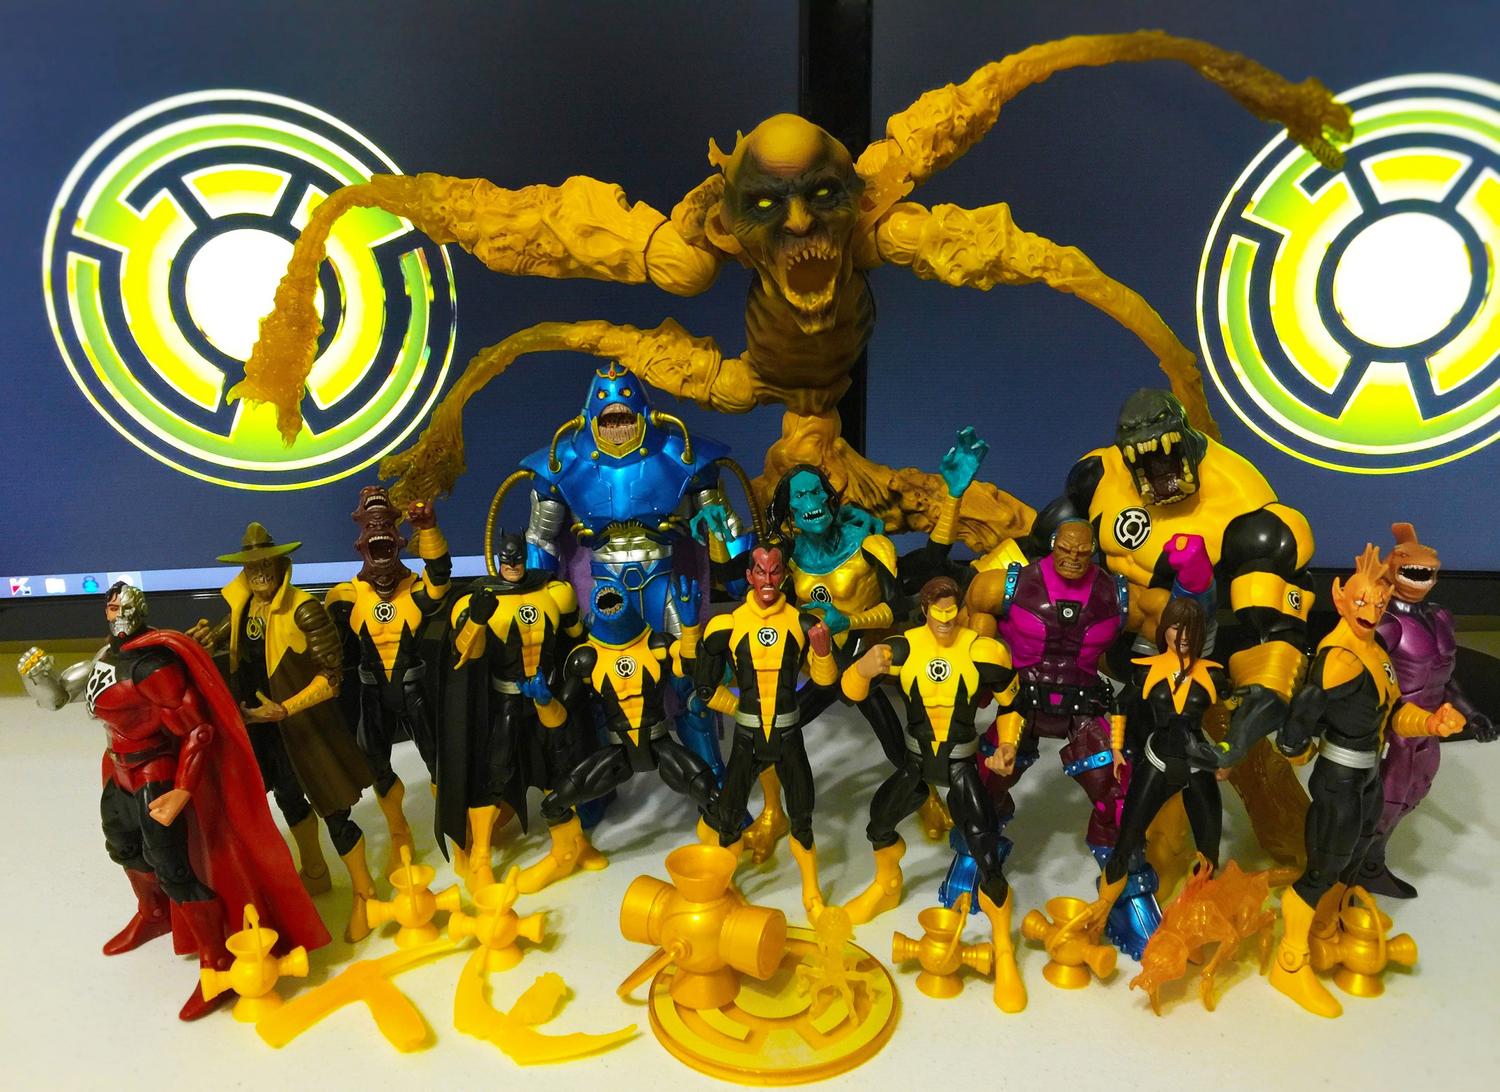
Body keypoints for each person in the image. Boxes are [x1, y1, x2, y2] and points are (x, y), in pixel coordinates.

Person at [19, 583, 329, 1020]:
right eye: (111, 606)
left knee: (175, 870)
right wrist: (36, 677)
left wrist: (182, 789)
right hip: (119, 770)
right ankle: (153, 912)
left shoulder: (154, 668)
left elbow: (198, 730)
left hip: (154, 772)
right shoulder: (105, 656)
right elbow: (56, 699)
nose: (116, 613)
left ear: (138, 610)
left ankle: (216, 959)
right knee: (123, 847)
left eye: (123, 606)